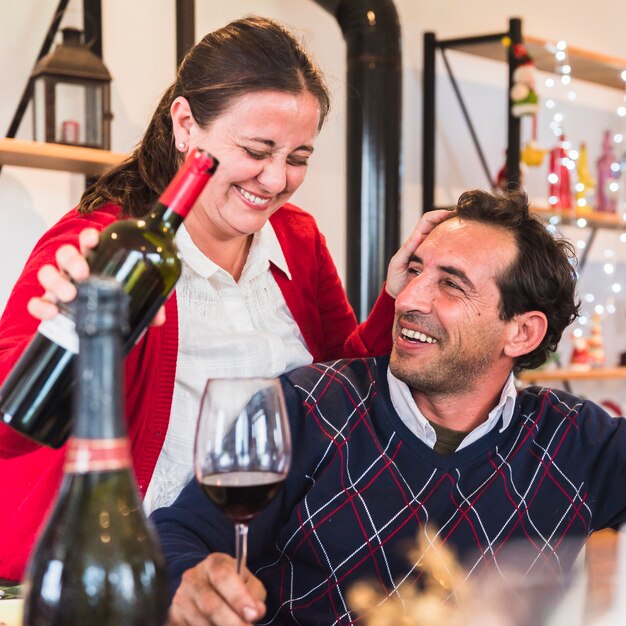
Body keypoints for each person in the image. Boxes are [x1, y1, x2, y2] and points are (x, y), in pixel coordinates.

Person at [0, 15, 450, 582]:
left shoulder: (298, 238)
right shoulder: (99, 244)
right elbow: (9, 427)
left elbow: (344, 385)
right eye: (257, 149)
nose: (276, 179)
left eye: (299, 157)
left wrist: (395, 297)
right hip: (129, 574)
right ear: (186, 124)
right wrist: (65, 336)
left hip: (267, 569)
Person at [152, 188, 626, 626]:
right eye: (416, 271)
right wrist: (188, 580)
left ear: (521, 332)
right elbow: (178, 534)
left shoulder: (575, 440)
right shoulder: (304, 405)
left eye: (451, 285)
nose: (410, 297)